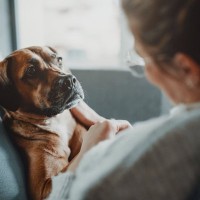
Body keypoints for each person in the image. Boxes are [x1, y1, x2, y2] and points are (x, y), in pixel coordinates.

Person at [48, 0, 200, 199]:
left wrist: (84, 159)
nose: (147, 73)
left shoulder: (119, 177)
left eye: (144, 58)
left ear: (186, 69)